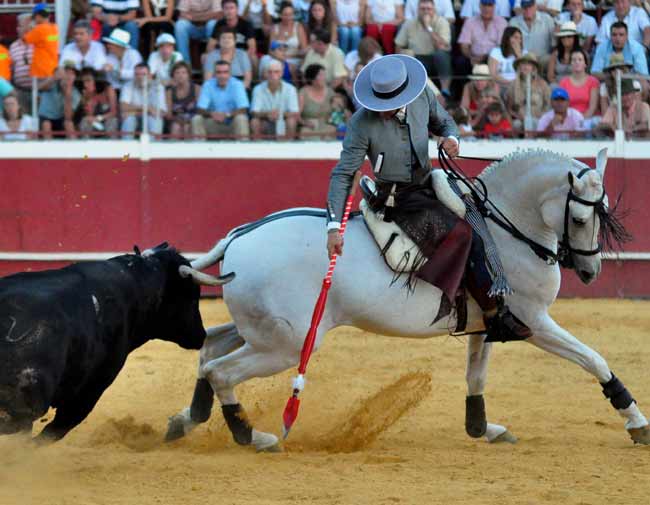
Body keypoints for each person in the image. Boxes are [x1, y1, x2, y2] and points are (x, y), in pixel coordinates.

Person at [326, 54, 531, 341]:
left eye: (387, 104)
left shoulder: (422, 96)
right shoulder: (362, 123)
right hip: (397, 200)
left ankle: (488, 295)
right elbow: (343, 174)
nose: (381, 110)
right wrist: (334, 226)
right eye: (378, 103)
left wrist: (451, 139)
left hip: (427, 183)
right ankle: (492, 314)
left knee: (479, 213)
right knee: (460, 233)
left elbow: (445, 122)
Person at [395, 0, 452, 97]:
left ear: (434, 10)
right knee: (407, 55)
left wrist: (428, 27)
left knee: (441, 55)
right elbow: (399, 45)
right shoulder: (409, 23)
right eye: (423, 9)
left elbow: (442, 46)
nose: (426, 11)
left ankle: (444, 90)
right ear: (417, 10)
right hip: (418, 58)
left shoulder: (442, 22)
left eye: (429, 9)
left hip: (435, 58)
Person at [192, 59, 250, 139]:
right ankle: (200, 150)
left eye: (225, 72)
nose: (222, 76)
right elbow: (200, 109)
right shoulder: (208, 85)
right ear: (214, 74)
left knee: (241, 118)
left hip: (232, 123)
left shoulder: (237, 84)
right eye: (219, 72)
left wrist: (227, 115)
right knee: (197, 119)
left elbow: (243, 109)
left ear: (230, 74)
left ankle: (243, 149)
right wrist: (212, 114)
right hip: (213, 123)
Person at [250, 59, 299, 139]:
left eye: (276, 72)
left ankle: (289, 148)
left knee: (291, 121)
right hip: (265, 121)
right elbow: (254, 112)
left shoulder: (291, 89)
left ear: (281, 73)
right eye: (270, 72)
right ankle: (258, 148)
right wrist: (267, 114)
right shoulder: (258, 89)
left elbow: (294, 112)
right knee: (254, 121)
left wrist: (279, 114)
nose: (273, 75)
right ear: (265, 74)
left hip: (283, 120)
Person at [505, 52, 550, 131]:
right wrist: (521, 117)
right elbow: (510, 107)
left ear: (534, 67)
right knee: (516, 124)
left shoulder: (542, 84)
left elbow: (548, 105)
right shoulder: (513, 85)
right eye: (523, 64)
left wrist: (540, 117)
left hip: (539, 119)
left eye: (528, 64)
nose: (525, 67)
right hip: (519, 120)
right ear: (519, 67)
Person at [458, 0, 507, 73]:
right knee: (460, 62)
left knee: (500, 59)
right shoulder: (470, 21)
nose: (486, 8)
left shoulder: (502, 22)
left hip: (492, 57)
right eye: (484, 5)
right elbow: (464, 45)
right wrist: (471, 57)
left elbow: (501, 47)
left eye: (489, 5)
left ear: (494, 7)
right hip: (472, 56)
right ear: (480, 6)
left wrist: (484, 57)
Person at [68, 67, 119, 137]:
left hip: (107, 119)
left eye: (88, 80)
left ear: (95, 80)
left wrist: (99, 118)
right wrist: (88, 98)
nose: (85, 84)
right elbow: (89, 115)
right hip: (95, 123)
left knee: (112, 122)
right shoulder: (85, 92)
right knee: (85, 122)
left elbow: (114, 112)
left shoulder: (108, 89)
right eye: (84, 81)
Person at [120, 63, 167, 137]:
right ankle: (127, 147)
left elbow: (161, 112)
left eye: (143, 74)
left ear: (150, 75)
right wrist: (147, 108)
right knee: (129, 120)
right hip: (135, 118)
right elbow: (123, 107)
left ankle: (154, 146)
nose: (140, 77)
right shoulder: (128, 85)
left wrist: (133, 111)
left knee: (154, 119)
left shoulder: (158, 87)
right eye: (137, 74)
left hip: (148, 118)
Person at [207, 0, 257, 65]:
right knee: (205, 57)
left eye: (231, 8)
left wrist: (241, 58)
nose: (229, 11)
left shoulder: (246, 24)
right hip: (223, 53)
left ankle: (252, 75)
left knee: (254, 58)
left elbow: (252, 47)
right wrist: (219, 57)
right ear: (223, 10)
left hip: (241, 53)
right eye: (226, 8)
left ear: (237, 9)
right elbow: (210, 46)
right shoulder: (219, 24)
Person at [38, 65, 81, 139]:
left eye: (72, 73)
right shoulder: (51, 84)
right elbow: (38, 88)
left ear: (75, 78)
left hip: (61, 120)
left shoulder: (76, 94)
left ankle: (74, 149)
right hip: (44, 119)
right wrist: (54, 78)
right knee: (46, 124)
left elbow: (68, 117)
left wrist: (67, 95)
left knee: (69, 124)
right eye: (66, 72)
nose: (69, 76)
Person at [507, 0, 554, 67]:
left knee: (549, 58)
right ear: (521, 8)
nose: (528, 10)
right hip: (522, 58)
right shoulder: (514, 22)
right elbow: (510, 44)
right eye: (525, 7)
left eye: (530, 6)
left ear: (535, 6)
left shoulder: (547, 20)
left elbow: (554, 45)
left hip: (542, 59)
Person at [558, 49, 599, 124]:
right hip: (569, 120)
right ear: (571, 64)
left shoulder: (593, 82)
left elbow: (592, 107)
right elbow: (561, 106)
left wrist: (580, 121)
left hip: (588, 119)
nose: (577, 62)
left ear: (585, 64)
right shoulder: (563, 82)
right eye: (574, 60)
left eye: (580, 60)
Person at [298, 63, 336, 138]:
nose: (324, 78)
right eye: (321, 75)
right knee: (305, 132)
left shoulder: (330, 92)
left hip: (327, 126)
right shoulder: (303, 92)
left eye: (324, 75)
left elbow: (337, 112)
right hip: (309, 126)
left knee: (333, 131)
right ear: (312, 78)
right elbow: (297, 115)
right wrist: (305, 123)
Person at [24, 3, 60, 80]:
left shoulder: (39, 29)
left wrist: (27, 23)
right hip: (53, 69)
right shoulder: (54, 28)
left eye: (34, 17)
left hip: (40, 71)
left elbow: (25, 39)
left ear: (38, 16)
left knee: (39, 91)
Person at [269, 2, 308, 69]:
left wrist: (289, 56)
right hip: (277, 59)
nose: (288, 17)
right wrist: (278, 57)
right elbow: (270, 50)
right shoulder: (275, 28)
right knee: (268, 62)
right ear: (280, 15)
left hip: (294, 59)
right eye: (285, 15)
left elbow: (304, 51)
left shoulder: (298, 27)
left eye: (290, 14)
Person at [165, 61, 200, 137]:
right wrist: (178, 121)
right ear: (173, 75)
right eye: (177, 73)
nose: (180, 75)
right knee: (175, 127)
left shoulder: (197, 88)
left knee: (188, 127)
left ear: (188, 75)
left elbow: (200, 110)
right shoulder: (170, 91)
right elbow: (169, 113)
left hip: (192, 120)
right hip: (176, 121)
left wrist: (187, 121)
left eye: (184, 72)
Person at [8, 13, 33, 114]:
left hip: (41, 91)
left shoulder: (40, 43)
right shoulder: (13, 46)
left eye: (21, 26)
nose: (18, 29)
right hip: (20, 92)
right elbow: (10, 71)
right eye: (19, 26)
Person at [488, 26, 525, 93]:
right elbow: (493, 74)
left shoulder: (524, 53)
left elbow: (525, 73)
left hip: (519, 86)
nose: (518, 41)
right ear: (507, 39)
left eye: (520, 38)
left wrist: (519, 55)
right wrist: (509, 83)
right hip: (500, 85)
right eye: (515, 37)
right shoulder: (496, 51)